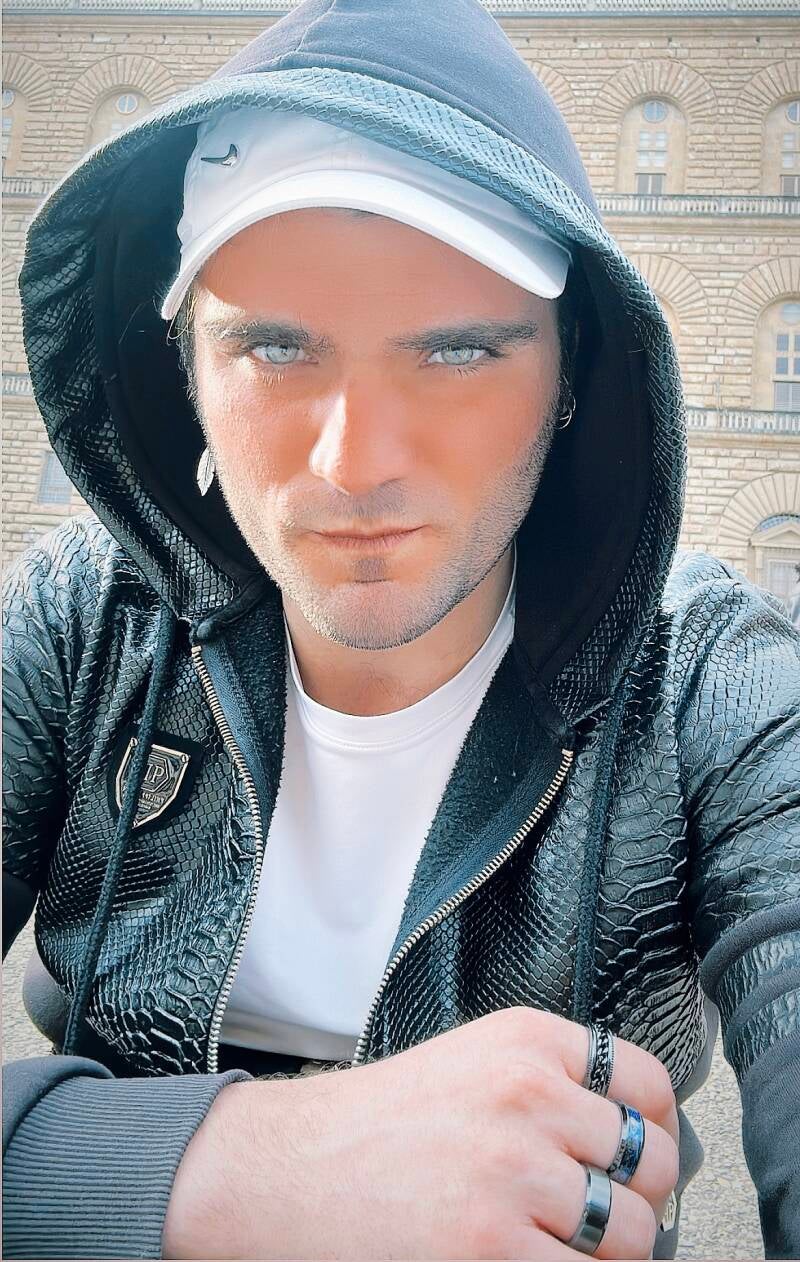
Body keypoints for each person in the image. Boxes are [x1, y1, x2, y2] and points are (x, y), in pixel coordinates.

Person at [3, 0, 799, 1257]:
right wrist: (238, 1167)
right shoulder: (81, 622)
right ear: (181, 366)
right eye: (274, 346)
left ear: (572, 371)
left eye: (457, 352)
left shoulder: (708, 680)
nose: (355, 460)